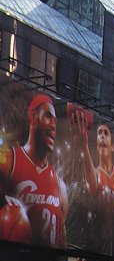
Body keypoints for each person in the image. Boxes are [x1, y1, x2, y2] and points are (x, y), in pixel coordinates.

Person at [0, 92, 68, 247]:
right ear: (32, 116)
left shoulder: (60, 185)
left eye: (56, 121)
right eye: (48, 116)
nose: (53, 126)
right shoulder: (8, 160)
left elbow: (61, 242)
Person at [71, 117, 114, 255]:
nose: (102, 136)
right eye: (99, 133)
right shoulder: (93, 172)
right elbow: (92, 188)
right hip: (100, 243)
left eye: (106, 133)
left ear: (112, 146)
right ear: (96, 146)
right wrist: (84, 146)